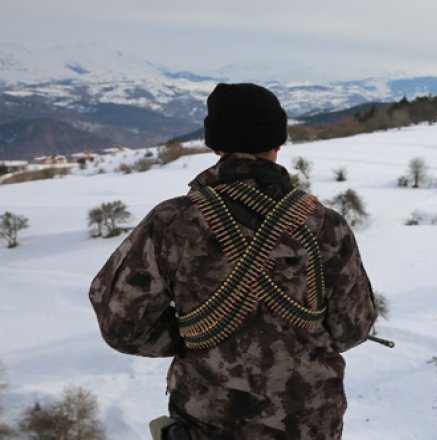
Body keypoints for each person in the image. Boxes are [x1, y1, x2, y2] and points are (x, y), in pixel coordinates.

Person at [89, 83, 377, 439]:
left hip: (207, 422)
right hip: (309, 423)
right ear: (278, 142)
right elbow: (353, 327)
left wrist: (194, 340)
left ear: (215, 145)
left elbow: (123, 326)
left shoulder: (171, 222)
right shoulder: (325, 224)